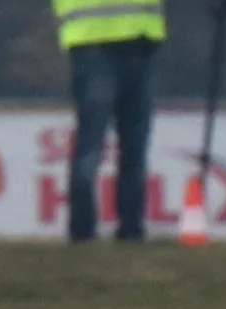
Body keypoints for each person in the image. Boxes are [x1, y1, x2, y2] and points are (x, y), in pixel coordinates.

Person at [56, 0, 166, 242]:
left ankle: (117, 230)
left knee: (119, 145)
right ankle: (109, 230)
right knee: (113, 146)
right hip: (99, 39)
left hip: (128, 38)